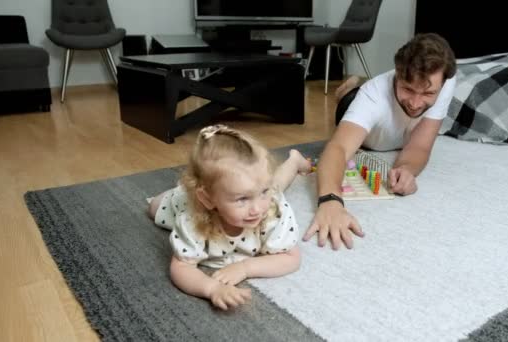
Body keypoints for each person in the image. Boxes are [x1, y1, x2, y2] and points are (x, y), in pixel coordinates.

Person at [303, 33, 457, 250]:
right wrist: (330, 200)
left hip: (394, 131)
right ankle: (346, 90)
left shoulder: (445, 83)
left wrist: (406, 169)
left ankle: (351, 86)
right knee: (348, 101)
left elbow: (420, 145)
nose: (415, 103)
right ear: (397, 73)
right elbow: (337, 148)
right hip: (362, 121)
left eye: (428, 93)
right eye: (408, 89)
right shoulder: (372, 96)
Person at [148, 125, 312, 310]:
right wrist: (212, 289)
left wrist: (246, 268)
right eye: (242, 199)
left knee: (277, 185)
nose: (257, 209)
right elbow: (181, 267)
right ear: (208, 200)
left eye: (263, 192)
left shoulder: (271, 209)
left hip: (259, 188)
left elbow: (291, 258)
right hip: (188, 201)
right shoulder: (193, 219)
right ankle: (186, 187)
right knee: (154, 207)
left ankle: (294, 161)